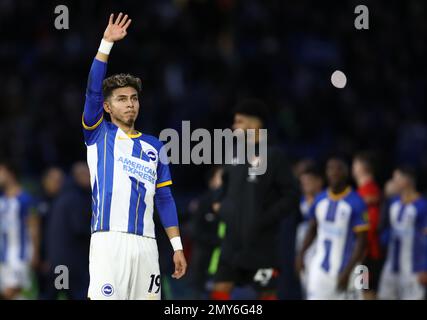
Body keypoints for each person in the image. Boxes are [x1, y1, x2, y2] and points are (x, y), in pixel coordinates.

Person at [82, 13, 186, 300]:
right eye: (121, 99)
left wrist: (177, 246)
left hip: (147, 245)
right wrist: (106, 44)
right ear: (106, 107)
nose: (130, 104)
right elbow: (92, 91)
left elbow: (164, 199)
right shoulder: (98, 134)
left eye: (134, 98)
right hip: (108, 240)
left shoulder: (155, 147)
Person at [211, 100, 300, 300]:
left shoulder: (274, 156)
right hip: (232, 242)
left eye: (239, 122)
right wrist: (219, 206)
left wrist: (265, 218)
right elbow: (221, 186)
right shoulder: (233, 154)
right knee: (220, 288)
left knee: (267, 292)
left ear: (255, 124)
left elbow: (292, 195)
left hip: (263, 245)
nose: (234, 127)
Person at [296, 157, 368, 300]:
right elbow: (312, 229)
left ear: (346, 173)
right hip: (320, 269)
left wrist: (348, 272)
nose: (334, 172)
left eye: (338, 168)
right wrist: (301, 254)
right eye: (330, 168)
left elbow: (362, 242)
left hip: (348, 270)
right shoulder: (320, 199)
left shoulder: (357, 202)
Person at [377, 166, 427, 300]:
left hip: (414, 270)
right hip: (391, 267)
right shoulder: (393, 203)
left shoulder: (422, 206)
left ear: (405, 181)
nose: (392, 182)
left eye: (395, 179)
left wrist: (425, 268)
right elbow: (386, 230)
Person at [45, 162, 92, 299]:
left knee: (60, 294)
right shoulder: (75, 198)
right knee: (75, 295)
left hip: (59, 263)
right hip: (71, 264)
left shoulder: (61, 197)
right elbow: (79, 228)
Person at [0, 160, 38, 299]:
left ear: (10, 174)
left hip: (21, 256)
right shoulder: (2, 200)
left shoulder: (25, 199)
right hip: (4, 258)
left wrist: (36, 253)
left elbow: (34, 226)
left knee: (13, 292)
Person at [188, 166, 223, 299]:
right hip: (203, 262)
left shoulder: (233, 203)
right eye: (221, 177)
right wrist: (218, 241)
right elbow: (195, 231)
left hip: (225, 264)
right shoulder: (203, 202)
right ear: (211, 181)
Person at [352, 152, 383, 299]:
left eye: (355, 165)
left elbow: (370, 226)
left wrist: (362, 251)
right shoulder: (363, 193)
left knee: (365, 291)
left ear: (361, 168)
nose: (353, 168)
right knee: (360, 291)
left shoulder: (369, 192)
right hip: (363, 253)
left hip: (366, 254)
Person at [34, 166, 65, 299]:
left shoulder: (65, 202)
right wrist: (38, 256)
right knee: (45, 294)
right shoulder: (38, 201)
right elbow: (35, 230)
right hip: (43, 258)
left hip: (62, 261)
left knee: (62, 291)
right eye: (53, 179)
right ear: (45, 180)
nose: (56, 183)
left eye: (59, 180)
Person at [295, 164, 324, 298]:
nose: (305, 185)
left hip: (321, 250)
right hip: (304, 250)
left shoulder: (325, 200)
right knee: (306, 288)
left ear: (319, 181)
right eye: (303, 182)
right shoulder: (299, 202)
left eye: (309, 181)